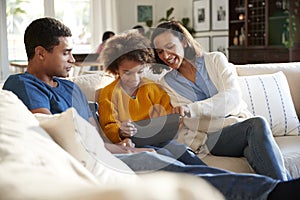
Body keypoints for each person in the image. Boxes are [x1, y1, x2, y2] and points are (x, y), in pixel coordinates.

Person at [3, 17, 300, 200]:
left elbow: (96, 134)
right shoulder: (22, 85)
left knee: (182, 161)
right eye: (66, 52)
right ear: (40, 54)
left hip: (113, 151)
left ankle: (265, 190)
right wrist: (119, 148)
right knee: (170, 167)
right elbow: (52, 131)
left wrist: (124, 146)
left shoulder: (69, 87)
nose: (73, 60)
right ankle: (273, 192)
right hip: (96, 160)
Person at [150, 20, 290, 181]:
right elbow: (195, 123)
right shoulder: (166, 83)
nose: (165, 56)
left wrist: (192, 109)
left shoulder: (215, 60)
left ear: (184, 41)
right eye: (160, 52)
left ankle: (282, 189)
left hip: (238, 131)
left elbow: (233, 98)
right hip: (212, 138)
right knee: (256, 124)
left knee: (254, 153)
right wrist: (227, 117)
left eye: (170, 47)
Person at [98, 30, 205, 165]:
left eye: (140, 72)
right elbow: (108, 126)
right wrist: (120, 131)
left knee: (184, 151)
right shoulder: (108, 93)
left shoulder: (153, 88)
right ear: (116, 69)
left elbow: (170, 118)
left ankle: (214, 178)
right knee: (165, 155)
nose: (134, 79)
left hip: (162, 139)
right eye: (127, 73)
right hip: (134, 143)